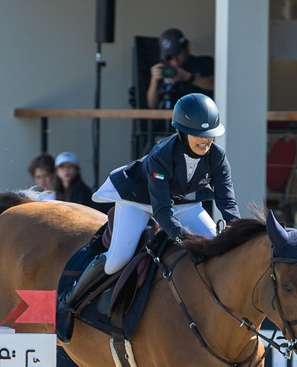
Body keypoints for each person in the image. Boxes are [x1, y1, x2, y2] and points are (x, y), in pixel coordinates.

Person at [57, 93, 240, 339]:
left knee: (217, 250)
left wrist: (237, 232)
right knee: (118, 260)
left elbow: (227, 201)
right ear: (182, 132)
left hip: (183, 203)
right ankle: (69, 302)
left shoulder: (217, 158)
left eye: (210, 135)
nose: (205, 141)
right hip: (139, 200)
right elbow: (161, 211)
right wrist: (185, 240)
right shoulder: (162, 155)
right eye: (198, 134)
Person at [146, 28, 214, 110]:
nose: (174, 60)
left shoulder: (203, 63)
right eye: (169, 57)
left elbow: (217, 86)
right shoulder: (164, 70)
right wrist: (154, 80)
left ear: (186, 47)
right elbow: (152, 105)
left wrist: (187, 77)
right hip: (170, 119)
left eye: (177, 54)